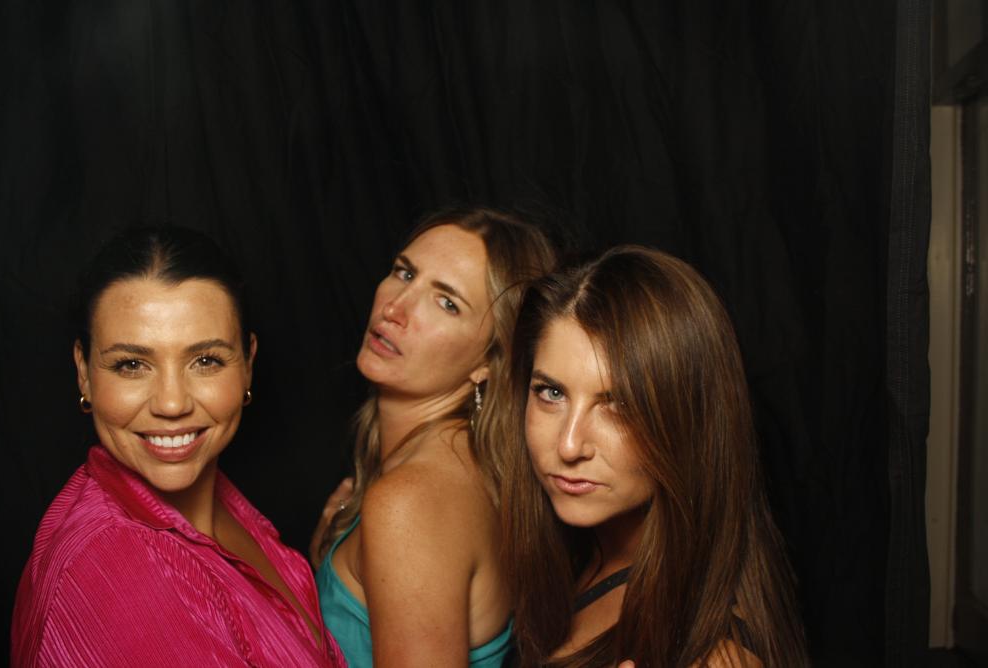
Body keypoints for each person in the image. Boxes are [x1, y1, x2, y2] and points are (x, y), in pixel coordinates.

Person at [11, 227, 346, 667]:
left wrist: (328, 577)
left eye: (205, 361)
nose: (172, 404)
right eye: (132, 365)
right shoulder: (115, 568)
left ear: (248, 364)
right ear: (84, 372)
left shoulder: (224, 508)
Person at [500, 246, 808, 667]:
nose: (569, 446)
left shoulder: (717, 656)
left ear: (689, 423)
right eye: (551, 393)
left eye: (619, 404)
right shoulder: (580, 550)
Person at [310, 207, 556, 667]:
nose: (394, 309)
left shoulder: (411, 501)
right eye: (404, 273)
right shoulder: (461, 468)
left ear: (490, 361)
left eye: (447, 303)